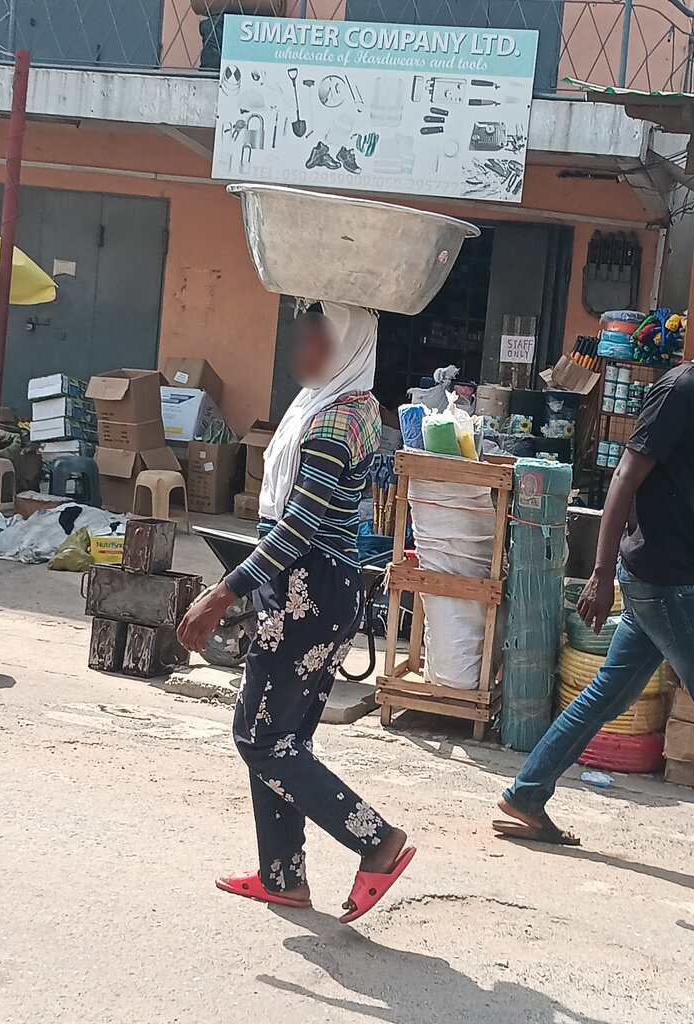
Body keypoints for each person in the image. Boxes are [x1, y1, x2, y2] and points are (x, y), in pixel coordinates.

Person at [494, 297, 694, 907]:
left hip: (668, 579)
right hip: (668, 581)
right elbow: (625, 476)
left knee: (607, 694)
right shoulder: (677, 392)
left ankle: (525, 796)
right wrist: (598, 571)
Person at [177, 302, 415, 923]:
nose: (300, 354)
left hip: (305, 592)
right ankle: (282, 874)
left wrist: (221, 593)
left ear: (346, 348)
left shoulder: (333, 424)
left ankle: (377, 840)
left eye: (316, 342)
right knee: (283, 737)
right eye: (300, 339)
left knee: (258, 738)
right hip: (327, 592)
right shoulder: (354, 403)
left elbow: (298, 527)